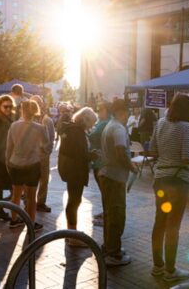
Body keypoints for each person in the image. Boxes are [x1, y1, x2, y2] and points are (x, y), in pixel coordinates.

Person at [149, 94, 189, 282]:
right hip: (178, 181)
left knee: (159, 222)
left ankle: (157, 266)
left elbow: (152, 150)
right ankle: (170, 270)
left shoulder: (160, 123)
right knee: (173, 226)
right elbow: (186, 158)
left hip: (160, 179)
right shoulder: (186, 127)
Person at [98, 99, 138, 266]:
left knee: (110, 214)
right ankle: (113, 254)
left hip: (108, 175)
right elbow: (120, 152)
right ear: (123, 112)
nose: (128, 114)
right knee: (116, 216)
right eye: (127, 111)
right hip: (114, 178)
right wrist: (132, 166)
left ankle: (109, 247)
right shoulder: (119, 129)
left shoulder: (111, 125)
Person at [6, 100, 50, 231]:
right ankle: (31, 223)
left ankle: (14, 220)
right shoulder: (40, 128)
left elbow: (9, 147)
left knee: (16, 195)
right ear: (35, 111)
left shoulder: (14, 126)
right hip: (32, 164)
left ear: (22, 110)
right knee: (31, 197)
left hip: (15, 164)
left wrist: (8, 164)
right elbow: (46, 147)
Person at [58, 107, 98, 246]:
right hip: (75, 171)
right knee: (74, 201)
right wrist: (92, 155)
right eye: (91, 123)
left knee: (73, 200)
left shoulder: (71, 129)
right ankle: (73, 236)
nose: (92, 126)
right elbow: (79, 153)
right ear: (85, 120)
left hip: (70, 170)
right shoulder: (77, 132)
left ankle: (70, 232)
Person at [30, 95, 55, 213]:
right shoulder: (29, 119)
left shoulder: (46, 120)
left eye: (38, 104)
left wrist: (46, 152)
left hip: (42, 154)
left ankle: (40, 202)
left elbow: (51, 138)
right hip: (31, 155)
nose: (35, 106)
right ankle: (30, 201)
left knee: (44, 179)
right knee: (32, 179)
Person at [88, 101, 112, 226]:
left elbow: (92, 136)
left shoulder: (104, 123)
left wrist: (86, 130)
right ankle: (105, 213)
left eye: (100, 110)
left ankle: (106, 216)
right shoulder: (106, 122)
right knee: (105, 192)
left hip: (100, 161)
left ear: (106, 111)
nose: (98, 113)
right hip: (100, 160)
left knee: (105, 192)